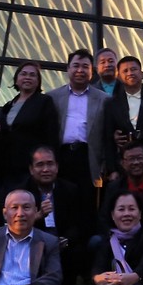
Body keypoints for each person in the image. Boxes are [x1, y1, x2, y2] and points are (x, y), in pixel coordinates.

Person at [23, 145, 90, 285]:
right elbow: (16, 225)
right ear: (31, 169)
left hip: (63, 240)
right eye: (40, 165)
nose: (46, 169)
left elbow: (80, 222)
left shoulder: (70, 189)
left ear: (57, 167)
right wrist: (37, 216)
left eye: (50, 164)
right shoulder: (23, 192)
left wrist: (67, 239)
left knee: (78, 249)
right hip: (34, 240)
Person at [48, 49, 108, 192]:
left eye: (85, 66)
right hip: (61, 157)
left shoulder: (104, 100)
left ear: (92, 71)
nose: (80, 70)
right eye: (76, 66)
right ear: (68, 69)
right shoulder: (52, 97)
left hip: (89, 159)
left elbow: (107, 135)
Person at [0, 61, 59, 186]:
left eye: (32, 75)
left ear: (38, 81)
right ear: (16, 80)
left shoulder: (44, 102)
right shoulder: (8, 105)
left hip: (30, 165)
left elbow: (51, 134)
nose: (27, 77)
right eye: (23, 74)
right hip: (7, 165)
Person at [102, 54, 143, 182]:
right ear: (118, 76)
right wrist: (112, 170)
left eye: (134, 69)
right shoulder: (111, 103)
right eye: (125, 71)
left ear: (142, 73)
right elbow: (108, 138)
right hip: (124, 165)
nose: (130, 73)